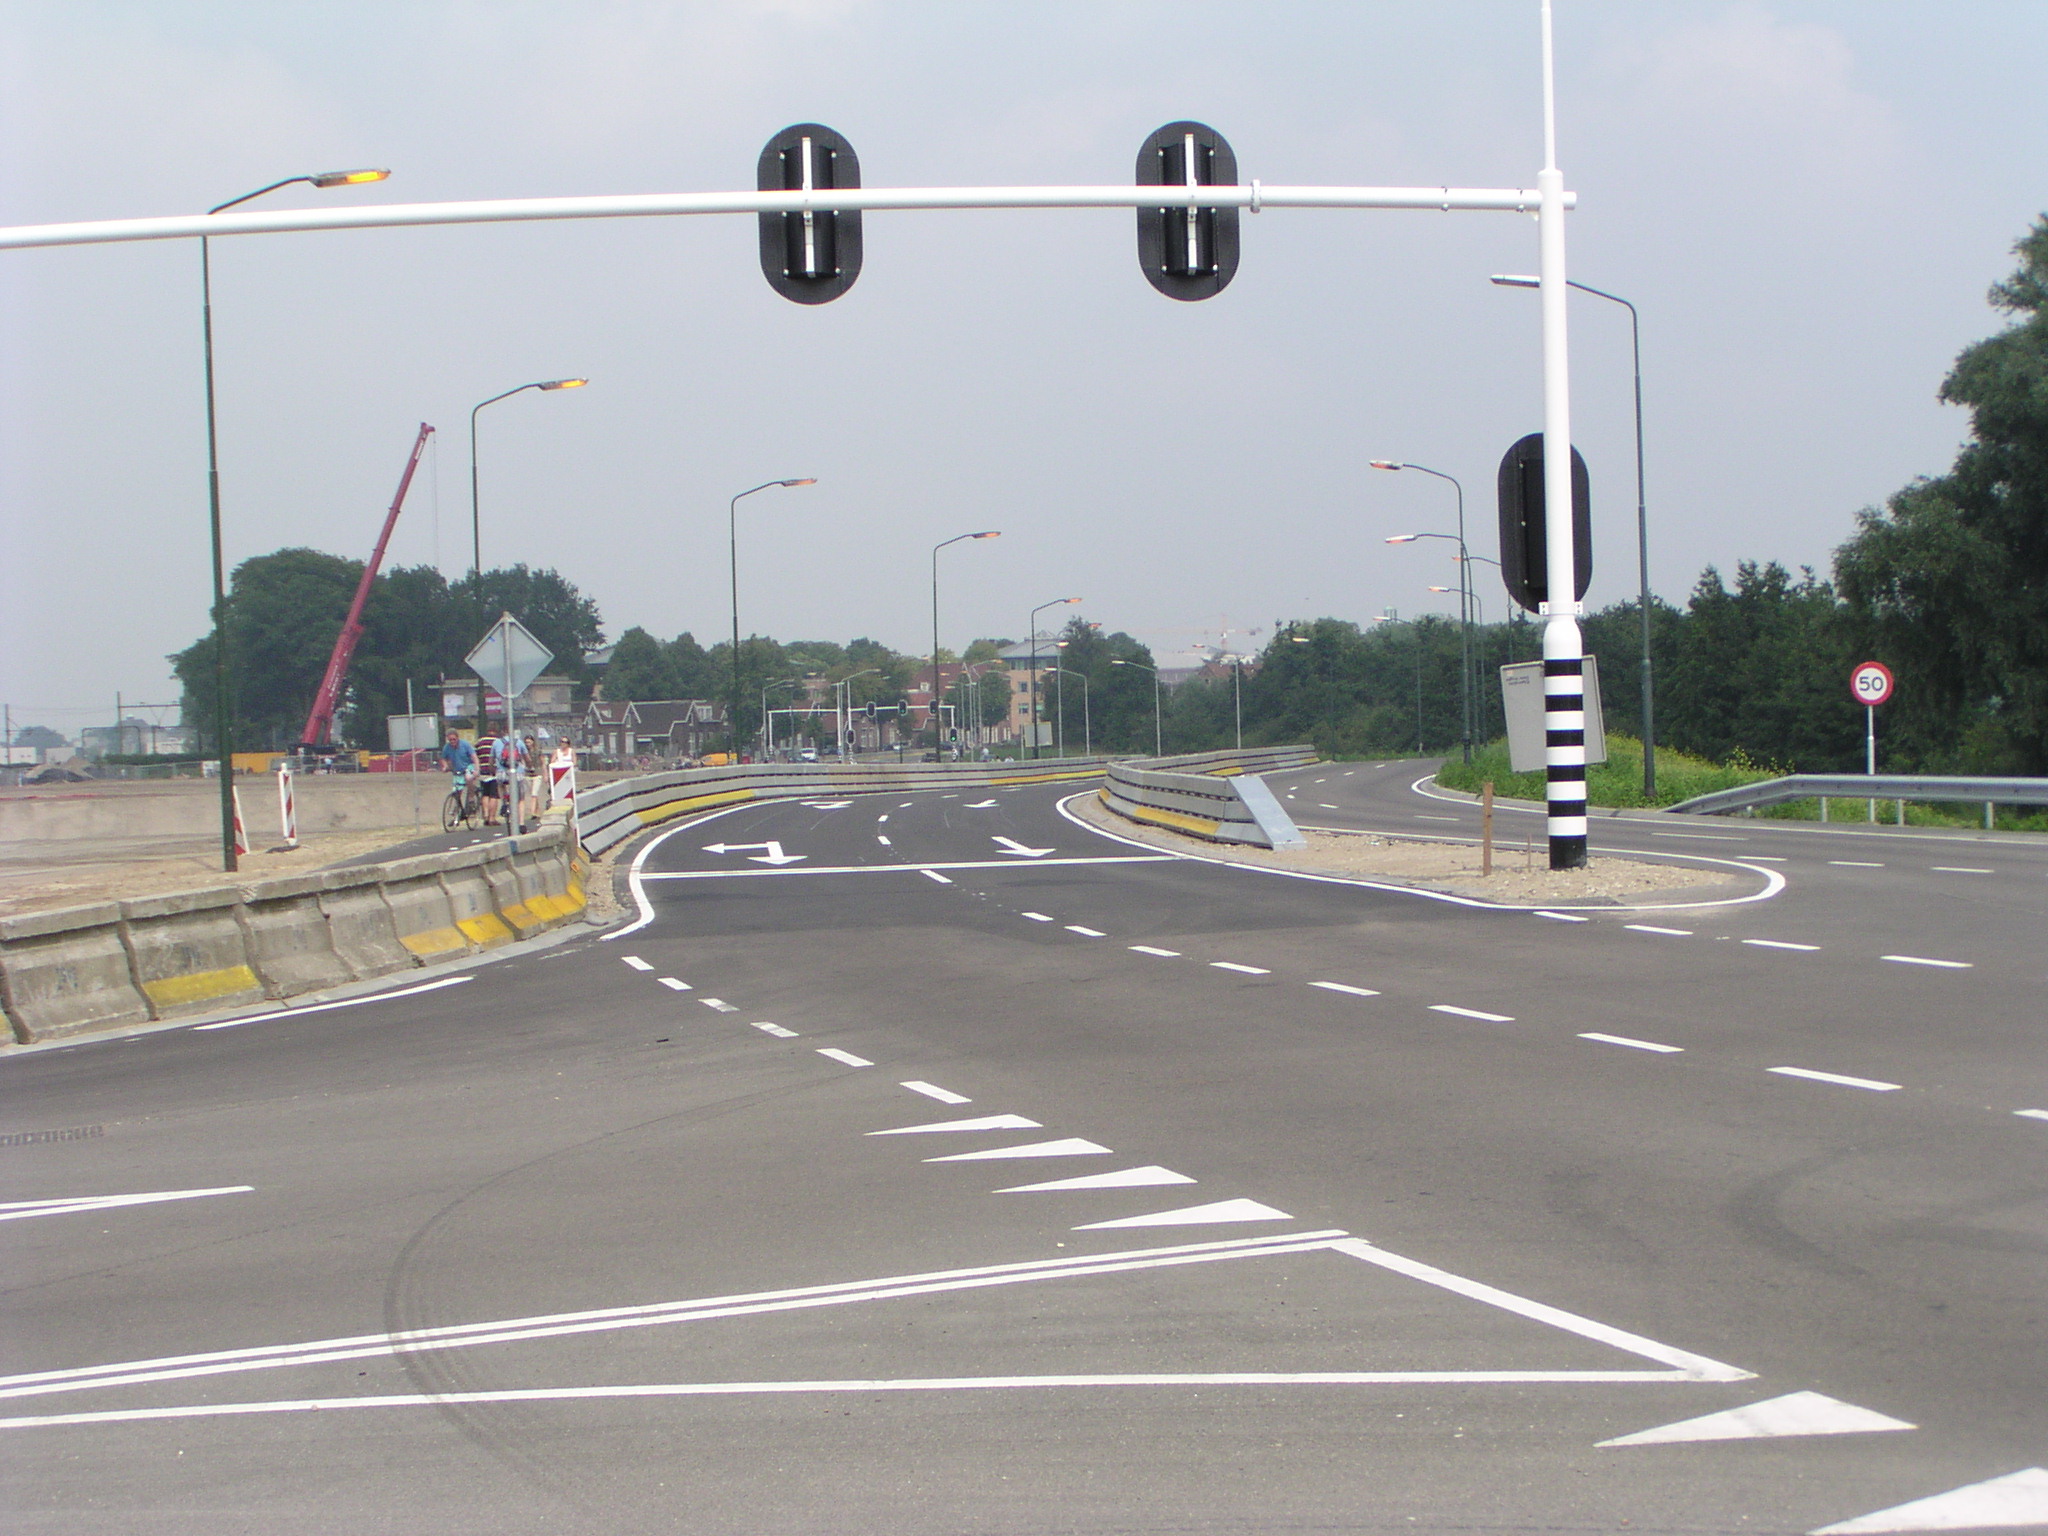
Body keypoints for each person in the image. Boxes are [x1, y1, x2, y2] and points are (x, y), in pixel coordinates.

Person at [440, 729, 478, 803]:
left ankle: (471, 797)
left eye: (454, 739)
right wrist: (445, 766)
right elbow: (443, 758)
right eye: (450, 740)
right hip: (457, 769)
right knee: (456, 790)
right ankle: (458, 806)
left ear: (457, 738)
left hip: (468, 766)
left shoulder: (465, 745)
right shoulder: (446, 747)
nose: (452, 741)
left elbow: (474, 757)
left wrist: (477, 770)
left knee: (468, 778)